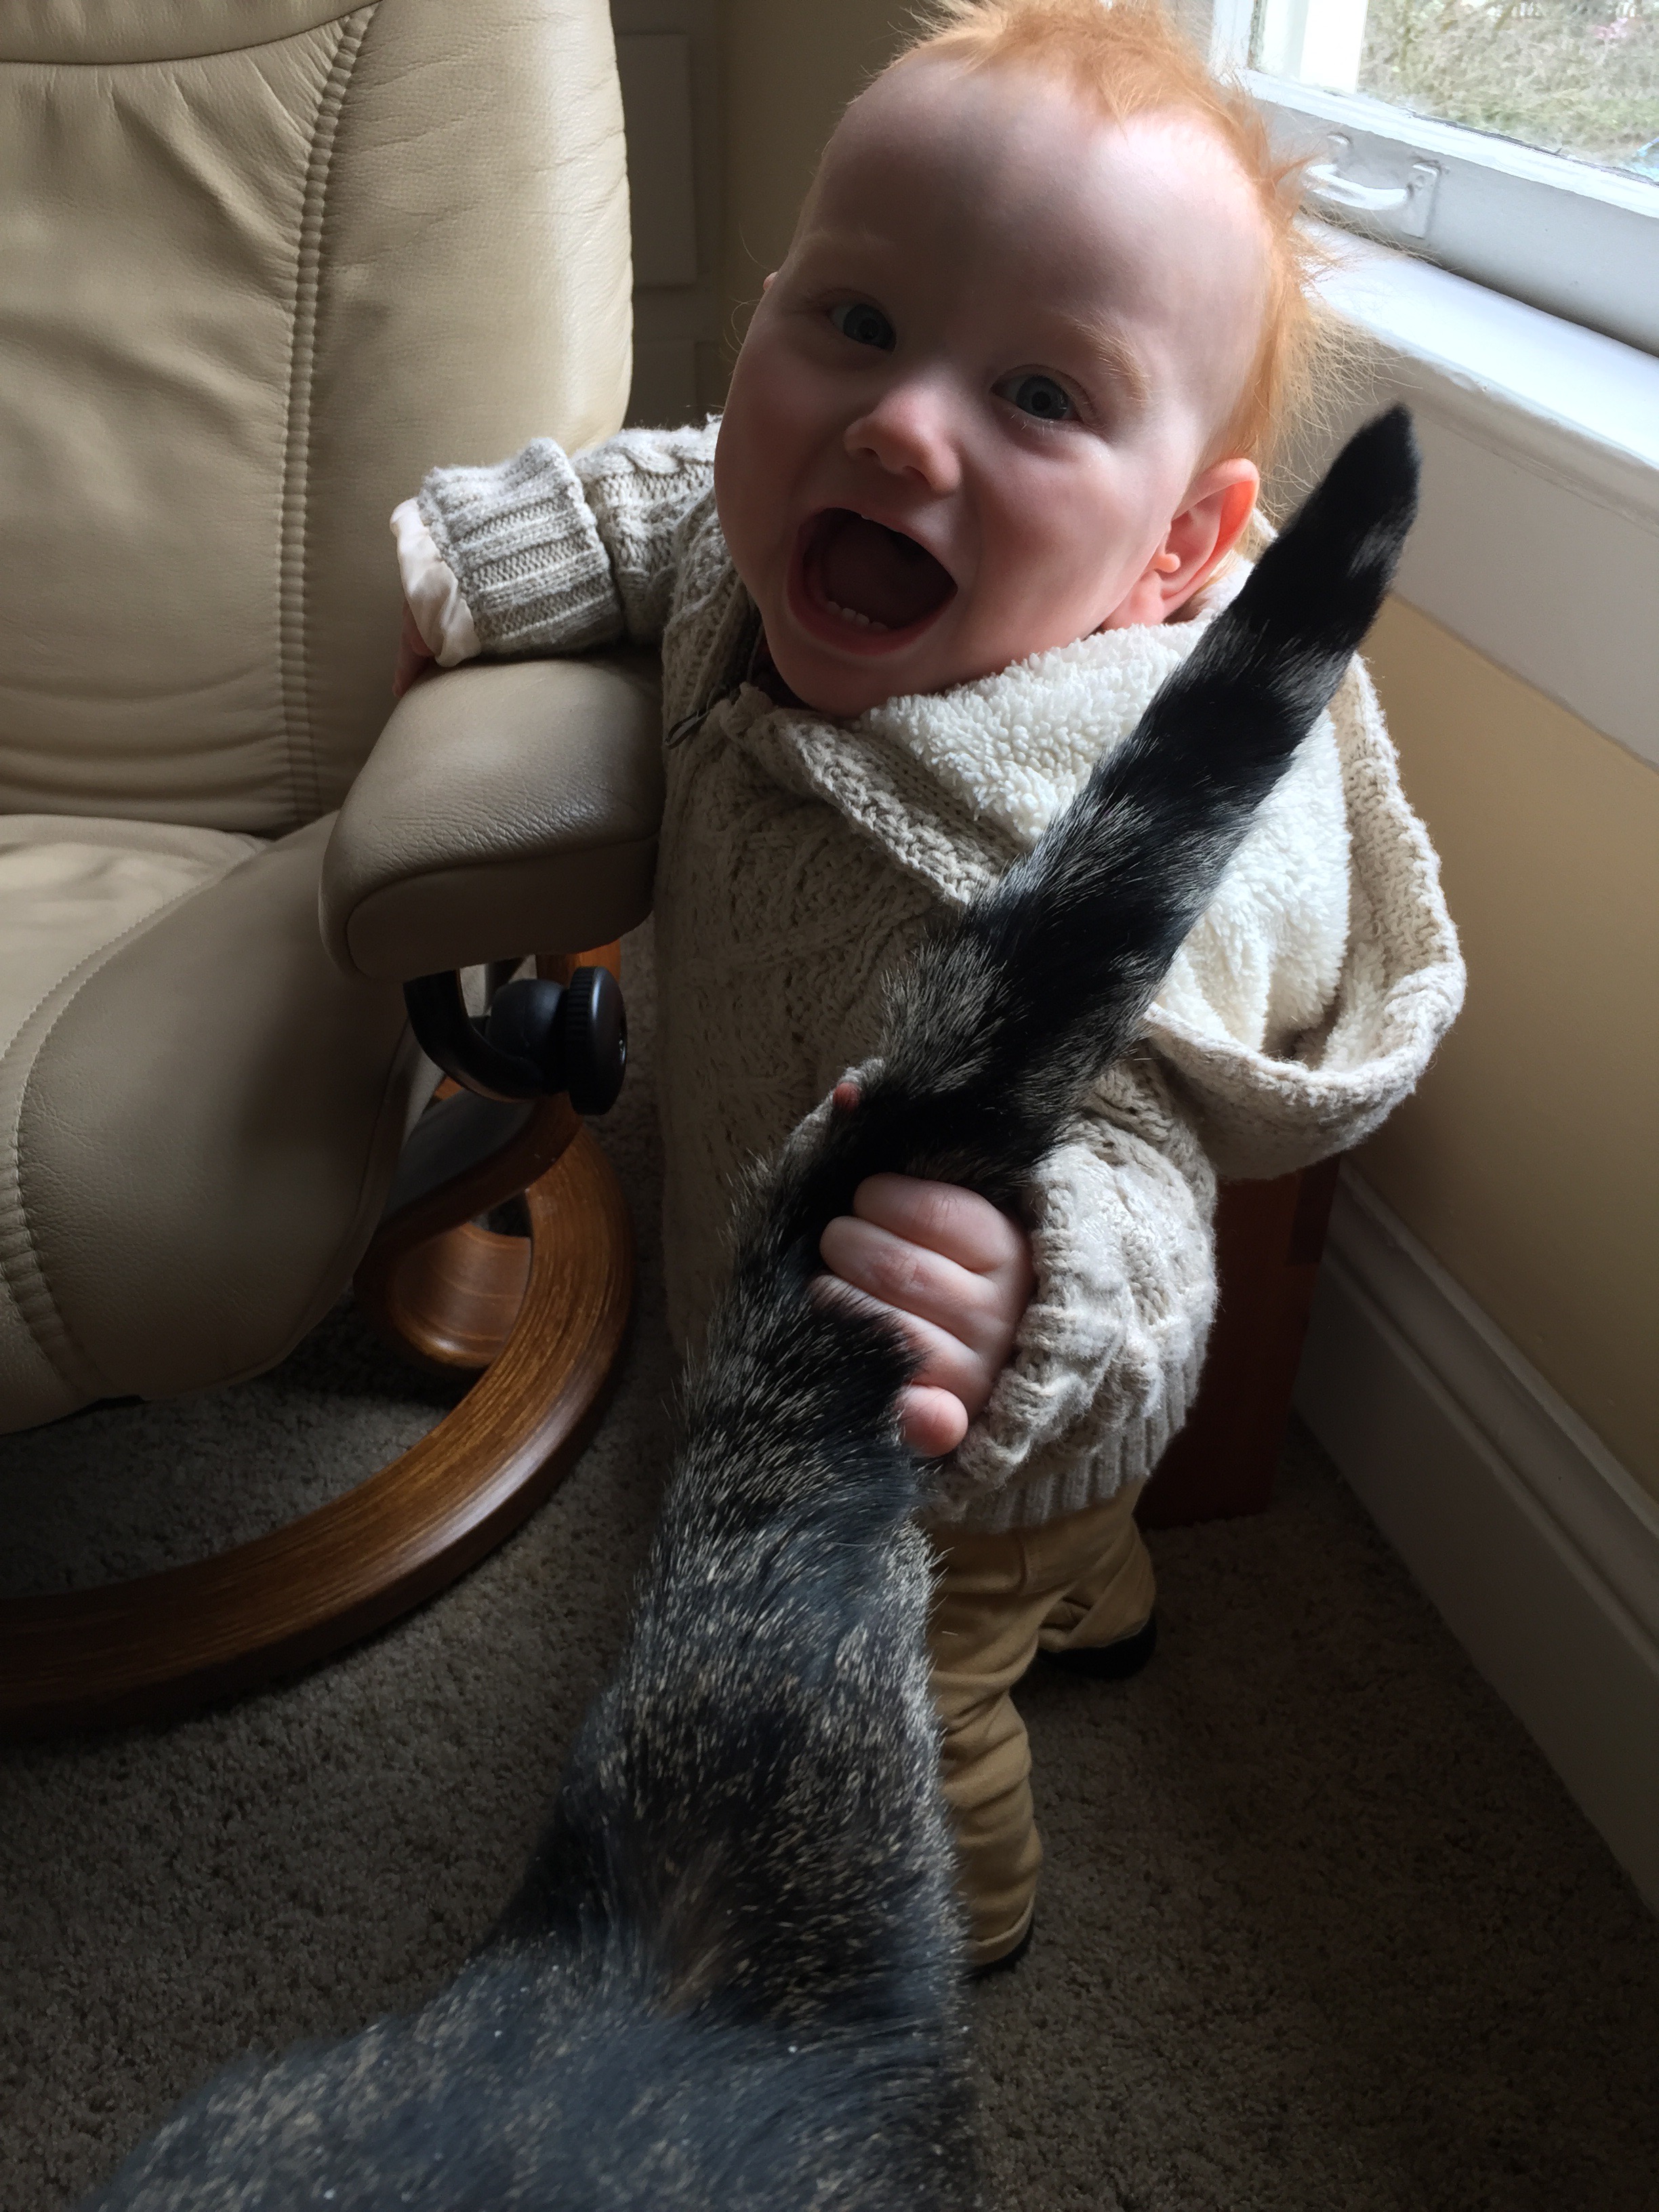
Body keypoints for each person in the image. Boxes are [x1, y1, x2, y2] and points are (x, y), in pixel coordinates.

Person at [389, 0, 1464, 1971]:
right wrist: (479, 558)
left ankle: (959, 1902)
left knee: (900, 1694)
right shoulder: (789, 539)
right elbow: (675, 501)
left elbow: (1145, 1213)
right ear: (767, 314)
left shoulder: (1071, 887)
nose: (899, 425)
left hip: (940, 1440)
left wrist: (1030, 1289)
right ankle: (1100, 1585)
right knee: (1067, 1552)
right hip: (784, 1251)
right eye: (858, 322)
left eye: (1041, 395)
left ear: (1179, 550)